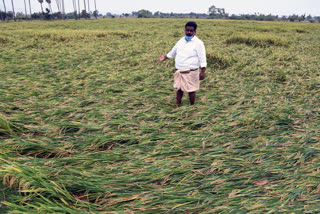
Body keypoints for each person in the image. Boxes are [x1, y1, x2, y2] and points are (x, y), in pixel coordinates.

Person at [157, 21, 207, 106]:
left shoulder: (198, 43)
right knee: (179, 89)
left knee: (191, 90)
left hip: (191, 71)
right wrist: (165, 57)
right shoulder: (181, 40)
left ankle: (192, 106)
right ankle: (178, 105)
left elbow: (202, 58)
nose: (189, 32)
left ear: (195, 32)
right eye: (187, 30)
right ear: (185, 30)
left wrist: (202, 71)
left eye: (191, 31)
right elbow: (173, 52)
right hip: (179, 70)